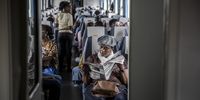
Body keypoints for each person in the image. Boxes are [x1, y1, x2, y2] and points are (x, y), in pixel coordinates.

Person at [82, 35, 128, 100]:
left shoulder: (120, 59)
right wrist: (85, 72)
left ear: (112, 48)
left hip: (115, 85)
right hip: (96, 85)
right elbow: (86, 82)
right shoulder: (92, 58)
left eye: (106, 48)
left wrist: (121, 69)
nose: (102, 50)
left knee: (120, 97)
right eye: (101, 47)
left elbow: (126, 82)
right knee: (90, 95)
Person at [55, 1, 74, 73]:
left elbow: (56, 25)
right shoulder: (69, 15)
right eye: (68, 6)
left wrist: (61, 26)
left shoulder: (58, 14)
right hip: (68, 34)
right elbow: (70, 27)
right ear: (64, 7)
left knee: (60, 51)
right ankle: (68, 68)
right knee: (69, 51)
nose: (69, 8)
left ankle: (60, 68)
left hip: (60, 33)